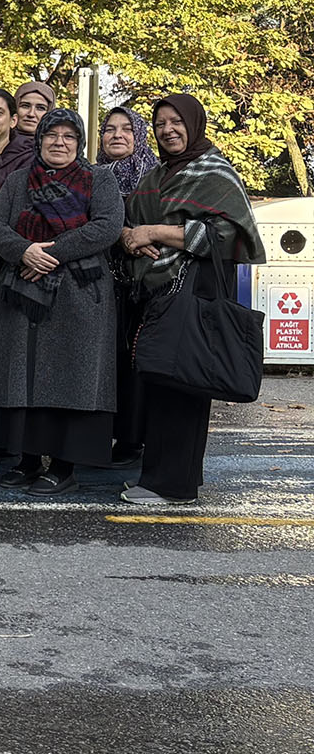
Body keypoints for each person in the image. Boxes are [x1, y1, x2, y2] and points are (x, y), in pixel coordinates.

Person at [118, 94, 265, 505]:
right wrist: (130, 237)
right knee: (163, 383)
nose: (168, 130)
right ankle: (158, 478)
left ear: (194, 124)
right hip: (157, 293)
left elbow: (228, 236)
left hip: (196, 289)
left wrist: (156, 233)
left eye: (176, 122)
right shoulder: (158, 175)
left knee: (186, 383)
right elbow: (131, 223)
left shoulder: (214, 171)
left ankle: (174, 485)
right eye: (161, 123)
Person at [0, 108, 125, 494]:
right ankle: (26, 459)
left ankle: (62, 466)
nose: (59, 143)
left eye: (68, 137)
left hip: (79, 297)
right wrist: (23, 250)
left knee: (70, 379)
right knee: (22, 378)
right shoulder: (17, 181)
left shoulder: (100, 179)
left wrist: (51, 254)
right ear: (39, 139)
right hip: (22, 292)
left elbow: (107, 227)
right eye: (52, 135)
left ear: (79, 143)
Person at [97, 106, 159, 463]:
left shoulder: (153, 175)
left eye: (126, 129)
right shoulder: (92, 174)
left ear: (139, 135)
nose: (117, 135)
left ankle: (133, 438)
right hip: (101, 281)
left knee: (136, 361)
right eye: (109, 129)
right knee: (106, 360)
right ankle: (104, 432)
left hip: (142, 284)